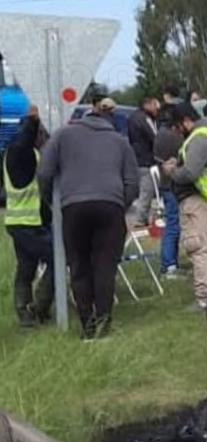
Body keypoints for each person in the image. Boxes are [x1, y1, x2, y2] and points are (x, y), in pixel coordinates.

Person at [38, 97, 139, 340]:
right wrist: (119, 203)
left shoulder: (62, 136)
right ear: (110, 119)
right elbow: (133, 183)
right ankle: (104, 321)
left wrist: (53, 202)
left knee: (79, 266)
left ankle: (87, 325)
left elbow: (44, 172)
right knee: (105, 266)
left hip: (74, 207)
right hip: (110, 206)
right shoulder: (120, 141)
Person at [163, 101, 207, 311]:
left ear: (185, 121)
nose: (176, 132)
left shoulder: (200, 139)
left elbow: (191, 173)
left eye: (176, 127)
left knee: (198, 249)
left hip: (198, 200)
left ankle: (203, 299)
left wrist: (172, 171)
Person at [4, 106, 54, 327]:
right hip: (28, 223)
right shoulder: (19, 152)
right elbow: (25, 140)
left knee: (26, 268)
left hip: (20, 222)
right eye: (40, 132)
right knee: (58, 260)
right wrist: (34, 121)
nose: (42, 135)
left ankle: (25, 314)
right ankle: (39, 307)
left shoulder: (22, 154)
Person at [153, 103, 188, 278]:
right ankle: (169, 265)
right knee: (173, 225)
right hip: (172, 185)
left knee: (172, 223)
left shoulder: (160, 134)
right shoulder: (174, 137)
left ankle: (170, 262)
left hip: (166, 184)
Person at [127, 96, 160, 227]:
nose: (156, 107)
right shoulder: (145, 118)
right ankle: (141, 219)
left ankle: (141, 218)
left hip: (136, 158)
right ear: (146, 104)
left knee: (141, 191)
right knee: (147, 191)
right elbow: (155, 137)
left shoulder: (133, 117)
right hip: (146, 160)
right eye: (154, 104)